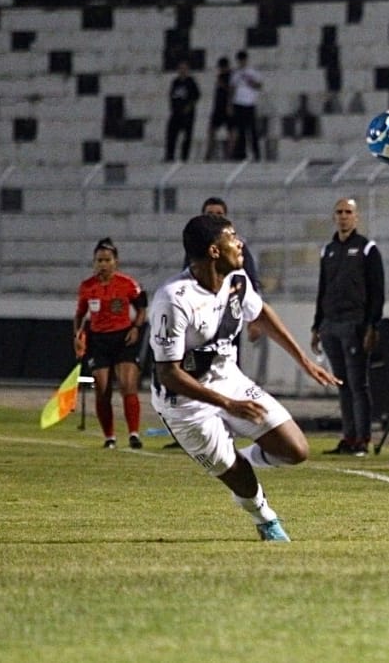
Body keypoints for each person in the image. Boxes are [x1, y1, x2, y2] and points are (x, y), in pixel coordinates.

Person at [148, 214, 341, 542]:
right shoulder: (173, 299)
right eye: (232, 237)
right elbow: (169, 373)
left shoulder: (237, 280)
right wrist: (228, 405)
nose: (240, 243)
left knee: (296, 450)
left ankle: (240, 457)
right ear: (213, 250)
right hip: (185, 403)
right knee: (238, 477)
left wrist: (304, 361)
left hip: (230, 381)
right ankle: (265, 518)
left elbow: (261, 313)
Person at [165, 196, 262, 450]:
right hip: (197, 324)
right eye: (210, 212)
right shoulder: (195, 254)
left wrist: (254, 320)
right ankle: (193, 426)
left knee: (224, 369)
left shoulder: (237, 253)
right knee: (189, 372)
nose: (215, 215)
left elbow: (250, 284)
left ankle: (228, 422)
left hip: (225, 321)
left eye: (219, 213)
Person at [311, 198, 385, 457]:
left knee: (357, 383)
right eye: (339, 212)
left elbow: (377, 291)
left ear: (357, 217)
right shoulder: (328, 250)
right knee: (342, 383)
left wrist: (372, 326)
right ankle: (348, 436)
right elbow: (323, 289)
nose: (343, 216)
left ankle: (362, 439)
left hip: (355, 324)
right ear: (334, 217)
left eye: (348, 212)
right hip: (331, 324)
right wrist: (317, 325)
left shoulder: (367, 249)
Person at [73, 237, 148, 450]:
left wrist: (135, 328)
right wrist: (78, 337)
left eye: (107, 260)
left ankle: (134, 433)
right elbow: (79, 315)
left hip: (123, 338)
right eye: (99, 260)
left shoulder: (127, 284)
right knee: (102, 390)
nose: (102, 264)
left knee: (127, 385)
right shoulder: (87, 287)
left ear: (116, 261)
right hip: (98, 340)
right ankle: (110, 437)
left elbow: (142, 308)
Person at [229, 49, 263, 162]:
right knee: (241, 131)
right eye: (240, 60)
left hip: (249, 104)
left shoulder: (252, 72)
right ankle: (241, 154)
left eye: (243, 60)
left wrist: (251, 82)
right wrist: (230, 104)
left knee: (252, 130)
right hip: (238, 104)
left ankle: (256, 154)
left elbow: (259, 86)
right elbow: (232, 89)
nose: (241, 62)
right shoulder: (236, 73)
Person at [164, 60, 200, 163]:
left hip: (187, 115)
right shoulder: (175, 82)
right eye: (180, 68)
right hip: (176, 113)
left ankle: (184, 157)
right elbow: (172, 96)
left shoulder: (191, 81)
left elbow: (196, 96)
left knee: (187, 136)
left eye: (184, 68)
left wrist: (189, 107)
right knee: (171, 134)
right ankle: (169, 156)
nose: (182, 71)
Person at [204, 56, 232, 161]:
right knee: (211, 130)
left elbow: (231, 91)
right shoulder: (220, 76)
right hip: (218, 108)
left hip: (227, 107)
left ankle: (229, 155)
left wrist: (229, 106)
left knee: (230, 132)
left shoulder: (231, 77)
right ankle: (208, 154)